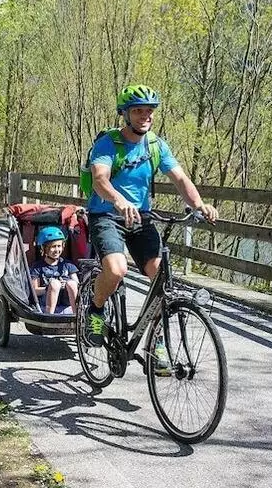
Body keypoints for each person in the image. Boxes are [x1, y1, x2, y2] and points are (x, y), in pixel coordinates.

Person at [86, 84, 218, 355]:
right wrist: (118, 200)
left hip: (141, 218)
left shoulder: (156, 145)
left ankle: (155, 343)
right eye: (138, 111)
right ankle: (95, 309)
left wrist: (199, 204)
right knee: (116, 269)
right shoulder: (109, 143)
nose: (145, 116)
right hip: (107, 215)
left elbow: (180, 178)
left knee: (161, 277)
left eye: (149, 111)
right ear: (125, 114)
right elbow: (99, 179)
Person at [30, 226, 80, 314]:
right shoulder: (37, 267)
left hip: (66, 302)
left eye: (59, 246)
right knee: (55, 284)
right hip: (45, 302)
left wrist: (65, 285)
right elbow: (35, 290)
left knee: (72, 283)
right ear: (43, 248)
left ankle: (77, 315)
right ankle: (49, 317)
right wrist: (48, 288)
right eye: (53, 247)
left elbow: (78, 285)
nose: (57, 250)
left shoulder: (68, 265)